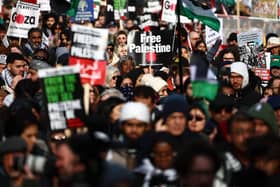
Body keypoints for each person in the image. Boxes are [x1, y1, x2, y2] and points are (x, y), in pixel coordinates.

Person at [215, 112, 255, 186]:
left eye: (250, 132)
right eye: (239, 133)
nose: (246, 137)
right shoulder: (221, 164)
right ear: (229, 137)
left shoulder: (261, 162)